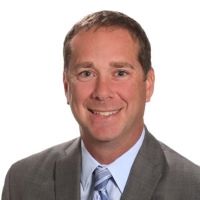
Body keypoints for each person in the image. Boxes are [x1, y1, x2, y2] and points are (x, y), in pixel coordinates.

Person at [2, 10, 200, 200]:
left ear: (148, 84)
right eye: (86, 73)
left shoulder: (192, 188)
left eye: (120, 73)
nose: (102, 92)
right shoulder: (22, 182)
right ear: (66, 86)